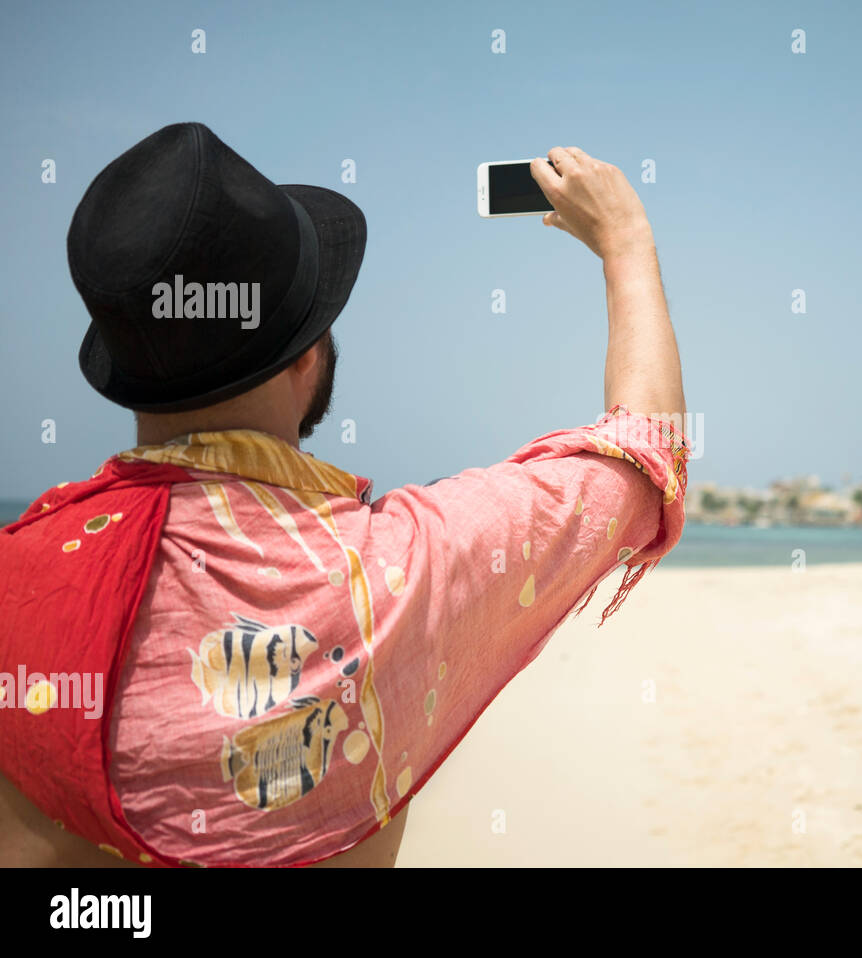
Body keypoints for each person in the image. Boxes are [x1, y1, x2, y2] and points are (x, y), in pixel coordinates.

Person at [0, 123, 689, 867]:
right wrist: (626, 239)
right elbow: (641, 458)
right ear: (307, 353)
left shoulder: (22, 579)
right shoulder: (402, 567)